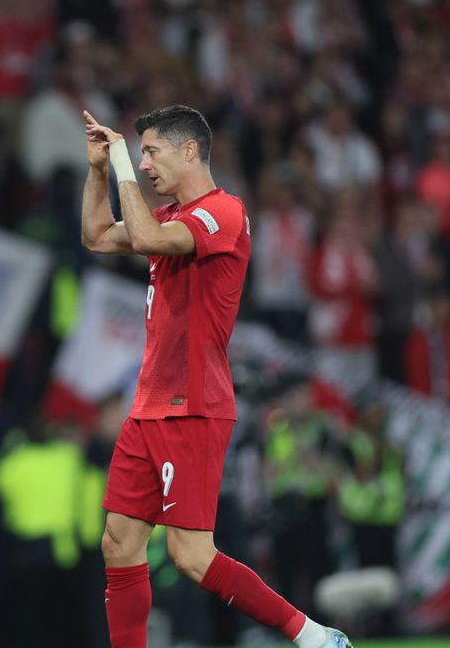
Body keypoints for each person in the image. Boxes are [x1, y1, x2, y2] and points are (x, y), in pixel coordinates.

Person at [80, 105, 352, 648]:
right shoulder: (167, 217)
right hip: (149, 404)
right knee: (119, 542)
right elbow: (95, 237)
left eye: (151, 151)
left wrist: (123, 170)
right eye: (140, 155)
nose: (145, 163)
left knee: (192, 557)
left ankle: (314, 637)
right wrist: (98, 171)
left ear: (189, 151)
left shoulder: (222, 212)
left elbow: (149, 241)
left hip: (193, 402)